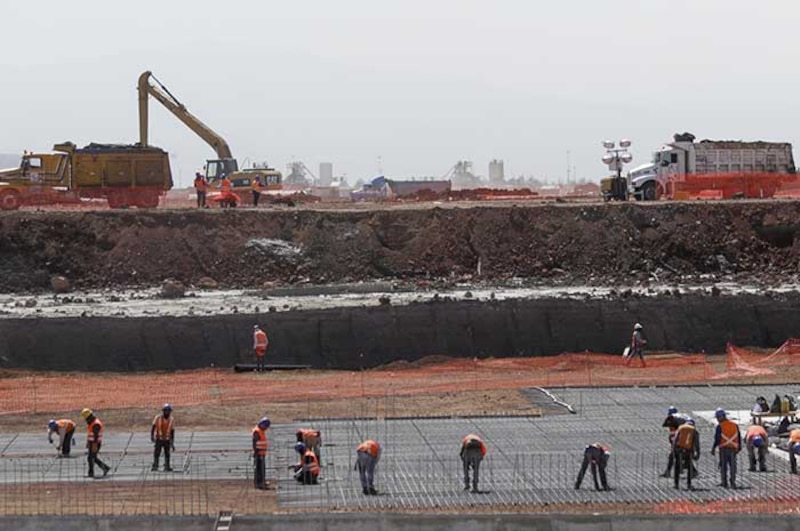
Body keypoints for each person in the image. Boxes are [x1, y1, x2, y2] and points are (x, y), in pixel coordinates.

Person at [711, 408, 741, 489]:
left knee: (724, 466)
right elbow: (739, 436)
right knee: (733, 466)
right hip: (733, 448)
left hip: (724, 449)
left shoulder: (720, 426)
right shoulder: (735, 425)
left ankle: (724, 482)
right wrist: (739, 447)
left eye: (717, 417)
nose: (717, 419)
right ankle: (732, 482)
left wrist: (713, 448)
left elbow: (717, 439)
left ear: (720, 417)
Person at [672, 418, 700, 490]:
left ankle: (676, 484)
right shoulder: (694, 430)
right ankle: (689, 484)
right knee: (690, 468)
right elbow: (696, 444)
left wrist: (673, 451)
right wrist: (697, 453)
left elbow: (675, 440)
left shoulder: (680, 428)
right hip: (688, 451)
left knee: (677, 467)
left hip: (679, 450)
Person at [81, 408, 110, 478]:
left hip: (95, 443)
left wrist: (94, 445)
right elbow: (90, 434)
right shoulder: (92, 423)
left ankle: (92, 472)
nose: (86, 420)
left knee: (91, 458)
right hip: (92, 443)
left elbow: (96, 436)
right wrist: (88, 442)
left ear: (89, 416)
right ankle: (105, 468)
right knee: (92, 457)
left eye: (86, 418)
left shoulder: (96, 424)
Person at [661, 406, 689, 478]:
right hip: (677, 442)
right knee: (677, 456)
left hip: (679, 442)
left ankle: (693, 471)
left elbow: (676, 434)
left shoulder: (676, 422)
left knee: (680, 456)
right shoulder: (675, 421)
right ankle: (668, 472)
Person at [150, 403, 175, 472]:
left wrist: (172, 442)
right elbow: (153, 427)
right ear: (163, 411)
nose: (167, 412)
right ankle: (155, 466)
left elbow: (172, 431)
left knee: (167, 454)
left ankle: (167, 466)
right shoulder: (158, 418)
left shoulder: (171, 420)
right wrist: (152, 436)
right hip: (159, 439)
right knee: (156, 453)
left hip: (167, 439)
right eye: (166, 410)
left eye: (168, 411)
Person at [252, 417, 270, 490]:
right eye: (266, 426)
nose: (266, 428)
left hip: (262, 452)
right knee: (259, 469)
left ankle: (262, 481)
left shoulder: (261, 431)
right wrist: (256, 452)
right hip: (259, 453)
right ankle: (258, 483)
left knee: (262, 469)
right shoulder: (257, 431)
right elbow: (255, 443)